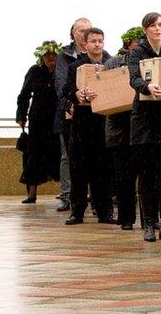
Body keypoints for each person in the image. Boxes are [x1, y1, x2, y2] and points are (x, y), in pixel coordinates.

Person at [128, 13, 161, 242]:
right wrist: (147, 87)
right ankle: (149, 224)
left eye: (160, 25)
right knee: (148, 174)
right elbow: (133, 78)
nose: (157, 29)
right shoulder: (137, 53)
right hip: (145, 120)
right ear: (145, 29)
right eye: (153, 26)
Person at [63, 28, 116, 225]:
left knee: (103, 169)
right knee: (79, 168)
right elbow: (67, 89)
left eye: (100, 41)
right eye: (93, 41)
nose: (97, 44)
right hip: (82, 124)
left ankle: (104, 211)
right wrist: (77, 94)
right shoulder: (76, 66)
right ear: (85, 44)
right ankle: (77, 211)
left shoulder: (111, 63)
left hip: (104, 122)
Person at [105, 27, 143, 231]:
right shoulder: (113, 63)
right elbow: (104, 90)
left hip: (141, 125)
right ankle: (126, 217)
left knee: (145, 176)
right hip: (119, 128)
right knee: (123, 177)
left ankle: (148, 219)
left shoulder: (146, 60)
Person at [15, 40, 62, 204]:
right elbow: (24, 94)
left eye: (54, 55)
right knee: (34, 154)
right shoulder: (35, 71)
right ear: (42, 57)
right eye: (47, 55)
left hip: (58, 119)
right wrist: (21, 115)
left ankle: (66, 193)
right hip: (38, 120)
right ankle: (31, 194)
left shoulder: (62, 71)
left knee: (60, 154)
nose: (51, 58)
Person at [52, 17, 91, 212]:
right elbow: (60, 84)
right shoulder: (65, 56)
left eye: (88, 30)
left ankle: (95, 199)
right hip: (69, 113)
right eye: (81, 30)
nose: (85, 33)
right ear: (73, 33)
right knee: (68, 156)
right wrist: (69, 103)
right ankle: (68, 196)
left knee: (94, 157)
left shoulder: (102, 55)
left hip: (93, 115)